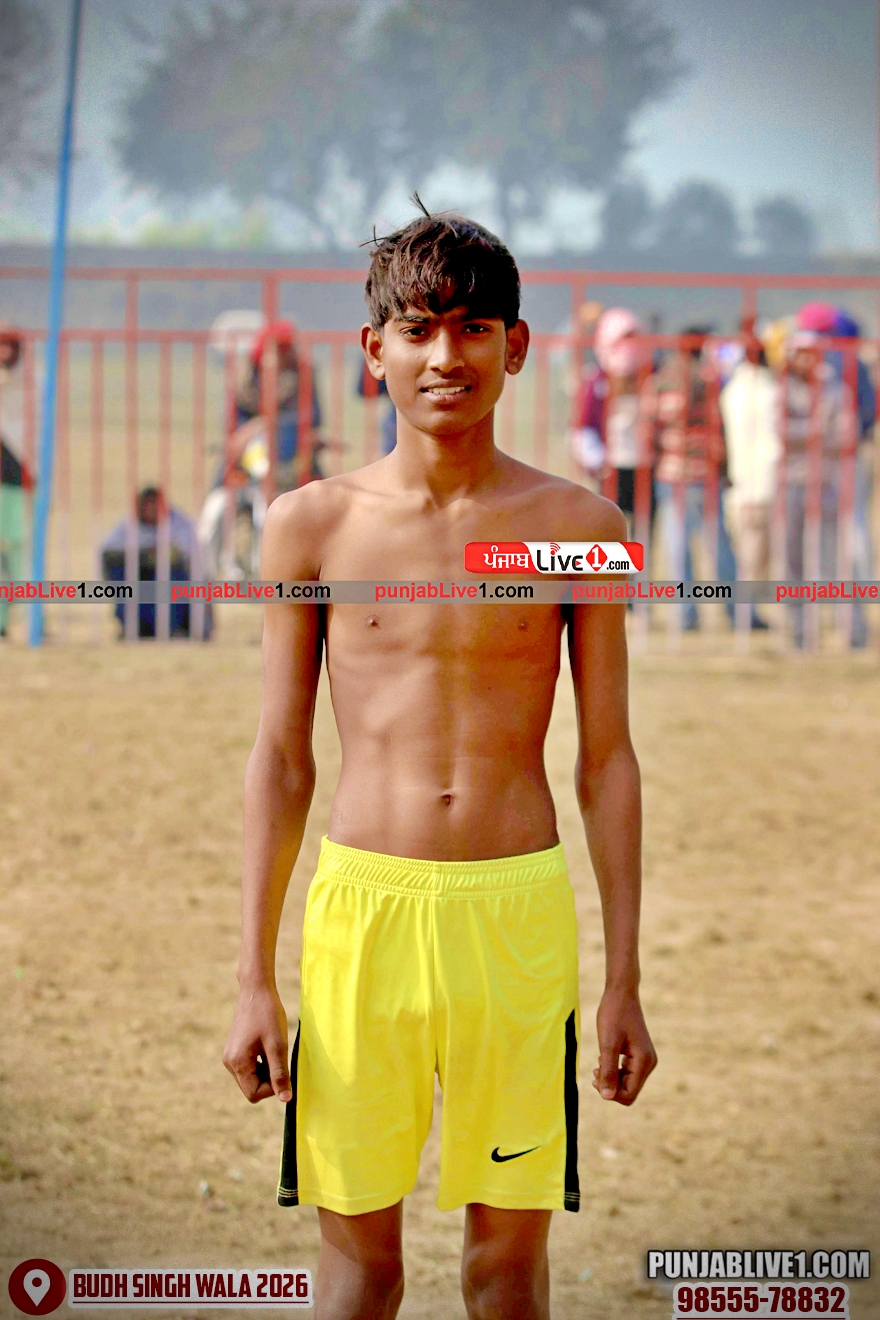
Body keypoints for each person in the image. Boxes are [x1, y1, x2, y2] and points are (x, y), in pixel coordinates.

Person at [222, 209, 657, 1320]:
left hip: (516, 918)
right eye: (417, 330)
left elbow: (607, 761)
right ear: (375, 349)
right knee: (360, 1272)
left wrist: (623, 979)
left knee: (505, 1275)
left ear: (516, 346)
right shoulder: (309, 526)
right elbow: (281, 757)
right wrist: (253, 979)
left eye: (472, 328)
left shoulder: (580, 526)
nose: (445, 356)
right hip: (362, 917)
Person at [778, 331, 866, 647]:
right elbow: (779, 431)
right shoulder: (782, 390)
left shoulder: (836, 389)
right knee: (793, 562)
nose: (805, 360)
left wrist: (809, 433)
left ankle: (854, 630)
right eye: (799, 353)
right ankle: (801, 631)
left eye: (810, 353)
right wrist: (816, 429)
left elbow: (847, 433)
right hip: (791, 484)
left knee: (837, 559)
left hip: (827, 483)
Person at [647, 325, 737, 630]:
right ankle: (729, 611)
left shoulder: (665, 380)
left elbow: (650, 430)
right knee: (712, 546)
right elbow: (719, 429)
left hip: (679, 475)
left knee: (686, 547)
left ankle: (691, 614)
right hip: (691, 475)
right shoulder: (704, 381)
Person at [569, 306, 654, 536]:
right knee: (610, 530)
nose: (628, 348)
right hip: (612, 469)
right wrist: (597, 462)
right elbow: (583, 427)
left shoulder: (651, 377)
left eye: (633, 338)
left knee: (643, 530)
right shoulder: (596, 381)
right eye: (621, 340)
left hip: (645, 467)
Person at [719, 318, 780, 629]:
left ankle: (746, 611)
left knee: (753, 555)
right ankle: (745, 613)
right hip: (756, 486)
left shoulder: (738, 386)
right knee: (752, 556)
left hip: (748, 484)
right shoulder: (759, 389)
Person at [101, 486, 210, 639]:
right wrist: (146, 556)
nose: (151, 509)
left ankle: (175, 627)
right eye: (147, 505)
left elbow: (190, 559)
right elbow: (108, 554)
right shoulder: (127, 526)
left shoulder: (180, 524)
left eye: (155, 505)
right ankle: (134, 626)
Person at [235, 319, 323, 489]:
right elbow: (234, 425)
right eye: (275, 350)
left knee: (316, 482)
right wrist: (254, 428)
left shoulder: (302, 375)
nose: (281, 356)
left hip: (292, 448)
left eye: (285, 349)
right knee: (224, 485)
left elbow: (313, 418)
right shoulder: (245, 381)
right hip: (251, 453)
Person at [0, 325, 32, 638]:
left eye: (9, 345)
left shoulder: (29, 383)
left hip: (15, 479)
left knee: (19, 548)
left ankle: (30, 615)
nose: (4, 351)